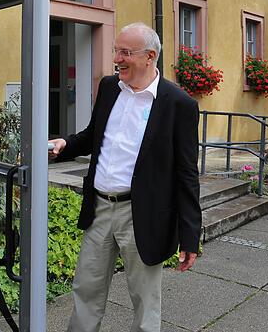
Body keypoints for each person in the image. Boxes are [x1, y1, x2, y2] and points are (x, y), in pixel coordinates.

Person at [49, 22, 202, 332]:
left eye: (125, 52)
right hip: (100, 210)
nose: (117, 58)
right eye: (116, 51)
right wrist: (65, 144)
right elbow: (94, 136)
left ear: (149, 56)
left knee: (145, 301)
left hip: (143, 215)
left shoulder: (179, 104)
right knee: (86, 290)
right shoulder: (109, 87)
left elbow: (187, 174)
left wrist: (190, 236)